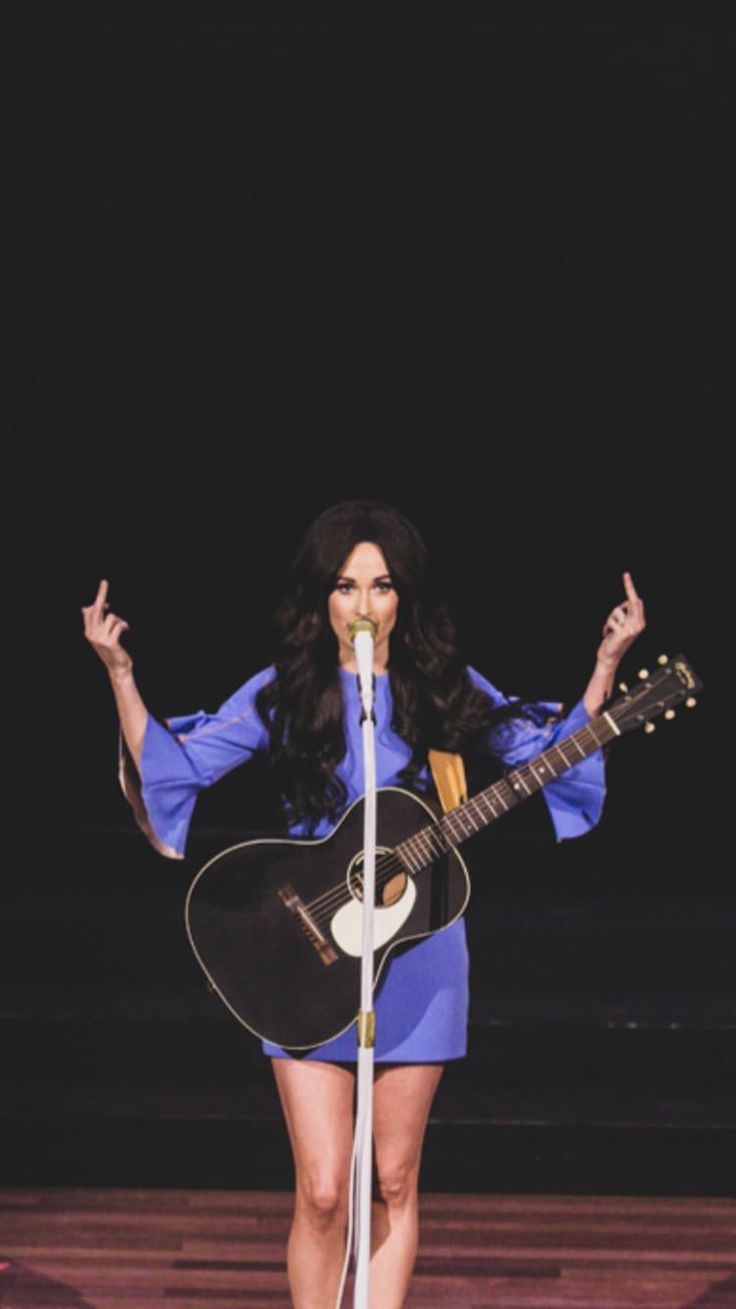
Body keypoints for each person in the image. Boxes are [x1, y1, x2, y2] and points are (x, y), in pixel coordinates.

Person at [82, 499, 645, 1309]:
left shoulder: (441, 685)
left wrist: (605, 666)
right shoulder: (288, 688)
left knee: (393, 1176)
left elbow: (546, 754)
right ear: (323, 598)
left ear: (403, 597)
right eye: (346, 587)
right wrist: (120, 675)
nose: (364, 605)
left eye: (381, 587)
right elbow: (181, 767)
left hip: (418, 954)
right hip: (302, 953)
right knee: (319, 1188)